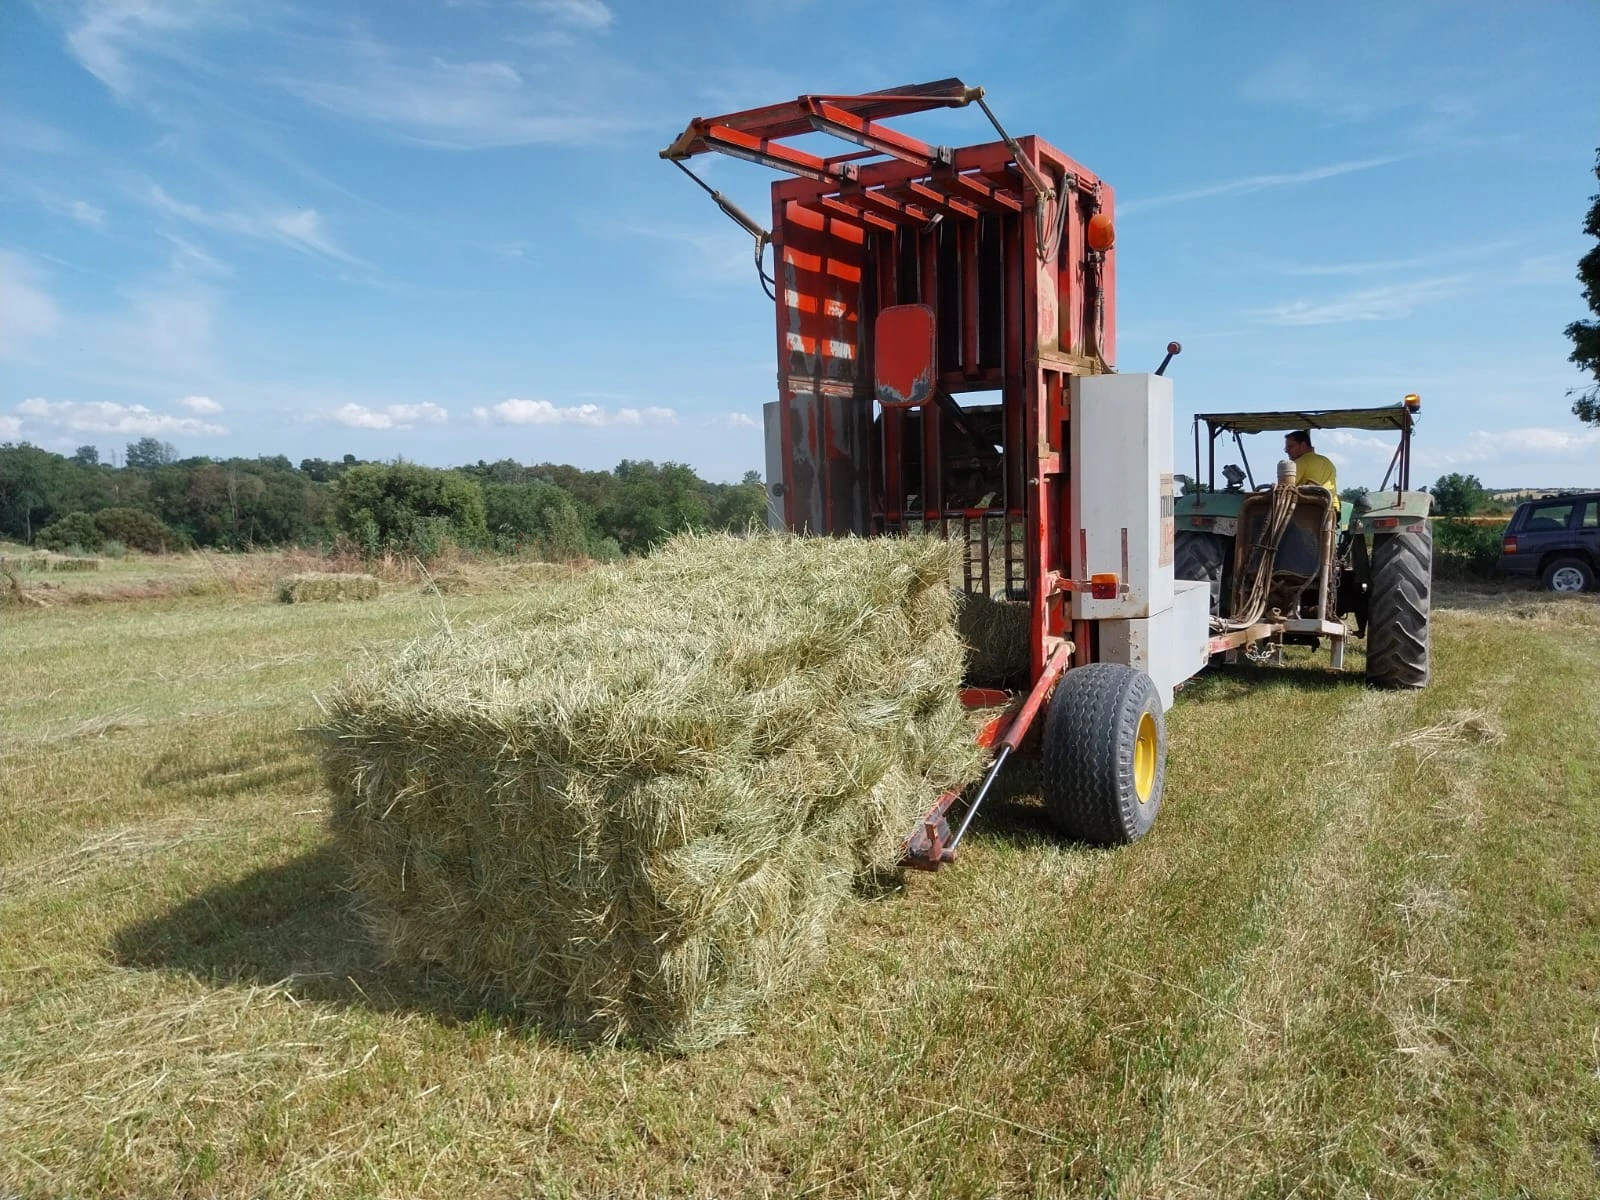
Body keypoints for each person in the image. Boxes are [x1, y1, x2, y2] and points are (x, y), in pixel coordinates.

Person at [1284, 429, 1338, 511]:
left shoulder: (1299, 462)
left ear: (1303, 445)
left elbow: (1284, 489)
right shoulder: (1327, 461)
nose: (1287, 450)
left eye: (1290, 447)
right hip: (1333, 508)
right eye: (1286, 448)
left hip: (1311, 508)